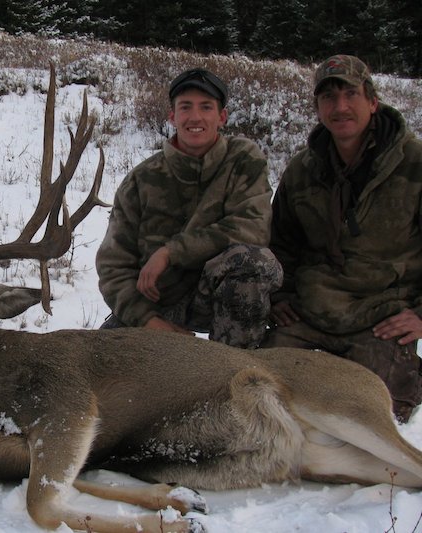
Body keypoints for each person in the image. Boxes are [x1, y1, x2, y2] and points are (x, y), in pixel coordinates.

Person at [262, 54, 422, 423]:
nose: (340, 106)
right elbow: (281, 243)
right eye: (328, 98)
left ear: (372, 100)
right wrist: (282, 295)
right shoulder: (302, 169)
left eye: (350, 94)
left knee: (367, 416)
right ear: (318, 107)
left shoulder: (414, 163)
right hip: (310, 316)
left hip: (381, 318)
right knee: (264, 396)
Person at [95, 68, 282, 348]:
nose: (195, 117)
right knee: (97, 360)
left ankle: (233, 370)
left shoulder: (243, 159)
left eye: (206, 107)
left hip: (223, 294)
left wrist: (170, 252)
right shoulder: (141, 180)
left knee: (251, 262)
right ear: (172, 116)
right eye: (186, 107)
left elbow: (252, 228)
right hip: (160, 301)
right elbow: (113, 267)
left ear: (222, 117)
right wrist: (148, 322)